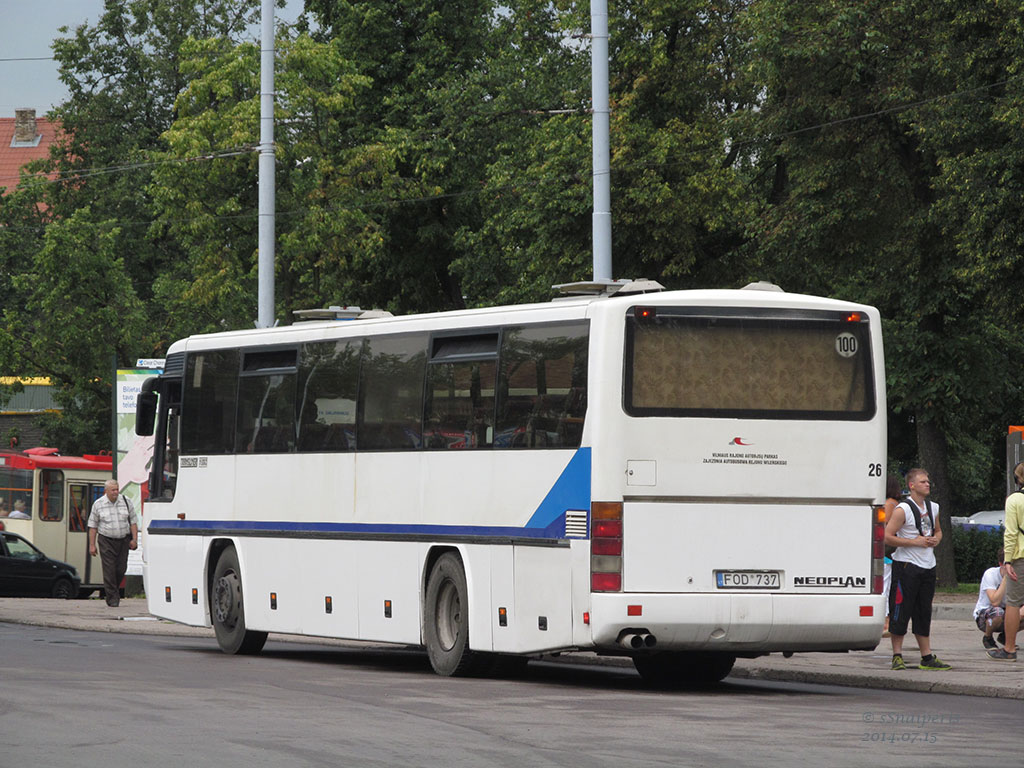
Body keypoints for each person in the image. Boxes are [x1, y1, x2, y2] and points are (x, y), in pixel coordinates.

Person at [885, 467, 951, 670]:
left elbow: (938, 531)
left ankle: (927, 656)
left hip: (927, 565)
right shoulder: (902, 509)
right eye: (923, 481)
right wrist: (915, 542)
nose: (927, 484)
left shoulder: (934, 507)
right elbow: (887, 536)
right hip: (906, 566)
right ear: (911, 485)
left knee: (924, 611)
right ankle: (897, 655)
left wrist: (935, 540)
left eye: (928, 481)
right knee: (901, 609)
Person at [989, 461, 1024, 662]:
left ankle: (1009, 648)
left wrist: (1008, 560)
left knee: (1013, 602)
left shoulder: (1015, 500)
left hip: (1020, 557)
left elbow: (1011, 533)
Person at [87, 479, 138, 607]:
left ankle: (112, 592)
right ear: (106, 491)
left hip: (123, 540)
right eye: (113, 490)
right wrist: (92, 545)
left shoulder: (126, 502)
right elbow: (92, 526)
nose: (116, 492)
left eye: (117, 489)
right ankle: (113, 599)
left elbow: (133, 522)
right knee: (109, 570)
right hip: (106, 540)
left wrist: (134, 539)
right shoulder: (98, 504)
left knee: (121, 569)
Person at [974, 551, 1007, 651]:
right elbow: (995, 601)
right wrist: (1006, 578)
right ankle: (988, 637)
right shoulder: (990, 574)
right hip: (986, 614)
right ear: (1001, 564)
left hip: (1008, 610)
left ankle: (1006, 636)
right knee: (998, 612)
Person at [882, 475, 902, 636]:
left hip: (886, 553)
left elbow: (885, 526)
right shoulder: (897, 504)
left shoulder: (889, 504)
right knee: (886, 586)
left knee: (885, 587)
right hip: (890, 553)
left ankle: (886, 621)